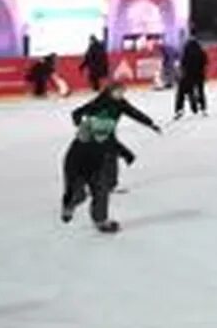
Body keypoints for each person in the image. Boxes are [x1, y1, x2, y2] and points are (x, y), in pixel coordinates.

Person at [66, 81, 160, 233]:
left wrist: (151, 123)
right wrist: (82, 125)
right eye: (118, 92)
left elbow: (134, 113)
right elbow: (76, 113)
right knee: (99, 182)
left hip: (109, 142)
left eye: (122, 92)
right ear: (110, 91)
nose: (121, 95)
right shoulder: (99, 102)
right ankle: (99, 218)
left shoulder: (121, 103)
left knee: (110, 179)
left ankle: (91, 193)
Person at [175, 36, 209, 119]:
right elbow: (205, 62)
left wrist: (182, 72)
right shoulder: (201, 52)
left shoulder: (187, 51)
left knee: (182, 92)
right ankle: (203, 108)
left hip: (188, 75)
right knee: (200, 91)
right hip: (199, 75)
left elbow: (183, 63)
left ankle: (180, 109)